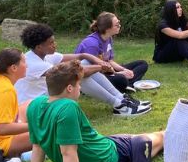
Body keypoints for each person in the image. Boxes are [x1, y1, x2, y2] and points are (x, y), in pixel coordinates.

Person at [16, 60, 164, 162]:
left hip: (106, 145)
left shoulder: (34, 105)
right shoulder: (67, 107)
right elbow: (68, 153)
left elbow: (38, 146)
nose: (80, 87)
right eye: (78, 84)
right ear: (69, 88)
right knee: (162, 137)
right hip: (113, 158)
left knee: (136, 137)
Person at [16, 24, 150, 117]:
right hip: (34, 107)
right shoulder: (34, 63)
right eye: (51, 43)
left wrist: (97, 61)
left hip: (48, 97)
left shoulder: (44, 55)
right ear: (39, 47)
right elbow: (74, 72)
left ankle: (121, 99)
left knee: (83, 64)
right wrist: (100, 67)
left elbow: (81, 56)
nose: (55, 45)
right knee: (75, 75)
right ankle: (119, 105)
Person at [75, 12, 149, 93]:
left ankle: (127, 85)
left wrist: (124, 69)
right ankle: (126, 84)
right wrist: (119, 74)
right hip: (92, 75)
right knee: (121, 79)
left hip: (107, 70)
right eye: (117, 25)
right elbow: (94, 71)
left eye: (119, 23)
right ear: (107, 29)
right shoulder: (92, 44)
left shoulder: (108, 38)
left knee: (142, 64)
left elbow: (109, 61)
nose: (119, 26)